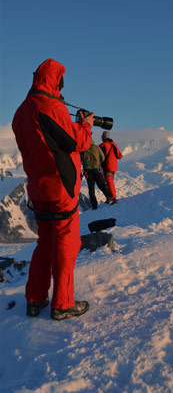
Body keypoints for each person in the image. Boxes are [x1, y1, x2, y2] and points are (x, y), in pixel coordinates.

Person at [11, 59, 94, 320]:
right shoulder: (51, 107)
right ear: (56, 80)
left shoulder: (21, 111)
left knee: (45, 241)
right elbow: (76, 141)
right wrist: (87, 125)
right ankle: (63, 303)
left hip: (37, 188)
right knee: (66, 243)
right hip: (60, 187)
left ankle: (34, 300)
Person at [81, 138, 114, 209]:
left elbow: (81, 159)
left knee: (91, 188)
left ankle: (94, 205)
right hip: (96, 169)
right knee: (101, 184)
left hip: (88, 170)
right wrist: (98, 163)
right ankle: (110, 198)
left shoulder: (84, 149)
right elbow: (103, 157)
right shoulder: (96, 147)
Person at [99, 130, 122, 203]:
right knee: (110, 182)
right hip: (113, 167)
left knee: (108, 182)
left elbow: (100, 157)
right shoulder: (113, 144)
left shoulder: (103, 145)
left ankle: (112, 198)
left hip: (107, 166)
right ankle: (112, 197)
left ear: (103, 137)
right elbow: (119, 156)